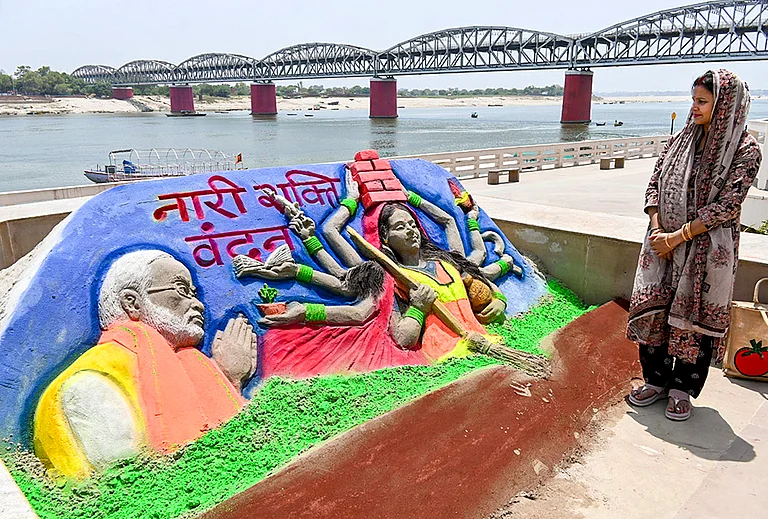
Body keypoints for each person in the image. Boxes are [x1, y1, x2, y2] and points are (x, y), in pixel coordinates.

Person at [33, 250, 258, 479]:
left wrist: (229, 380)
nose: (198, 304)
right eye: (181, 290)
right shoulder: (91, 381)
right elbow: (131, 479)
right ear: (132, 303)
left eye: (193, 293)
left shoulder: (185, 363)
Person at [627, 69, 762, 421]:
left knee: (694, 320)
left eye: (702, 101)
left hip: (705, 250)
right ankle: (655, 381)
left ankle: (681, 389)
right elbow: (654, 185)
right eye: (693, 100)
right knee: (656, 313)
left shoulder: (745, 149)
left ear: (726, 105)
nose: (694, 107)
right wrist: (658, 231)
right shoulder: (680, 141)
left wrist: (677, 237)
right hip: (661, 247)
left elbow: (727, 205)